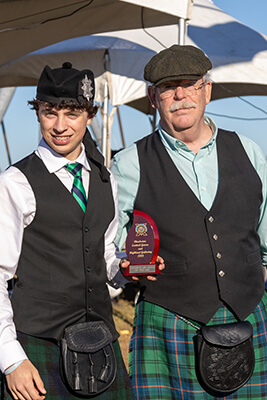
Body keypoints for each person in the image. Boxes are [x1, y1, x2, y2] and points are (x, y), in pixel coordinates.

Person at [111, 45, 267, 399]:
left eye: (190, 84)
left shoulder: (249, 151)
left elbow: (266, 239)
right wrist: (127, 263)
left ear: (207, 90)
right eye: (168, 87)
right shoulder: (128, 163)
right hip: (168, 321)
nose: (180, 95)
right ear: (153, 97)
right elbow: (112, 241)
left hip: (250, 316)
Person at [0, 62, 164, 400]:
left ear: (90, 115)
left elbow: (102, 254)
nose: (60, 126)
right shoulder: (14, 183)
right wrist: (11, 361)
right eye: (49, 113)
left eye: (72, 113)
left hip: (100, 342)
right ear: (37, 114)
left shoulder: (106, 179)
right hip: (38, 347)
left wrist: (126, 269)